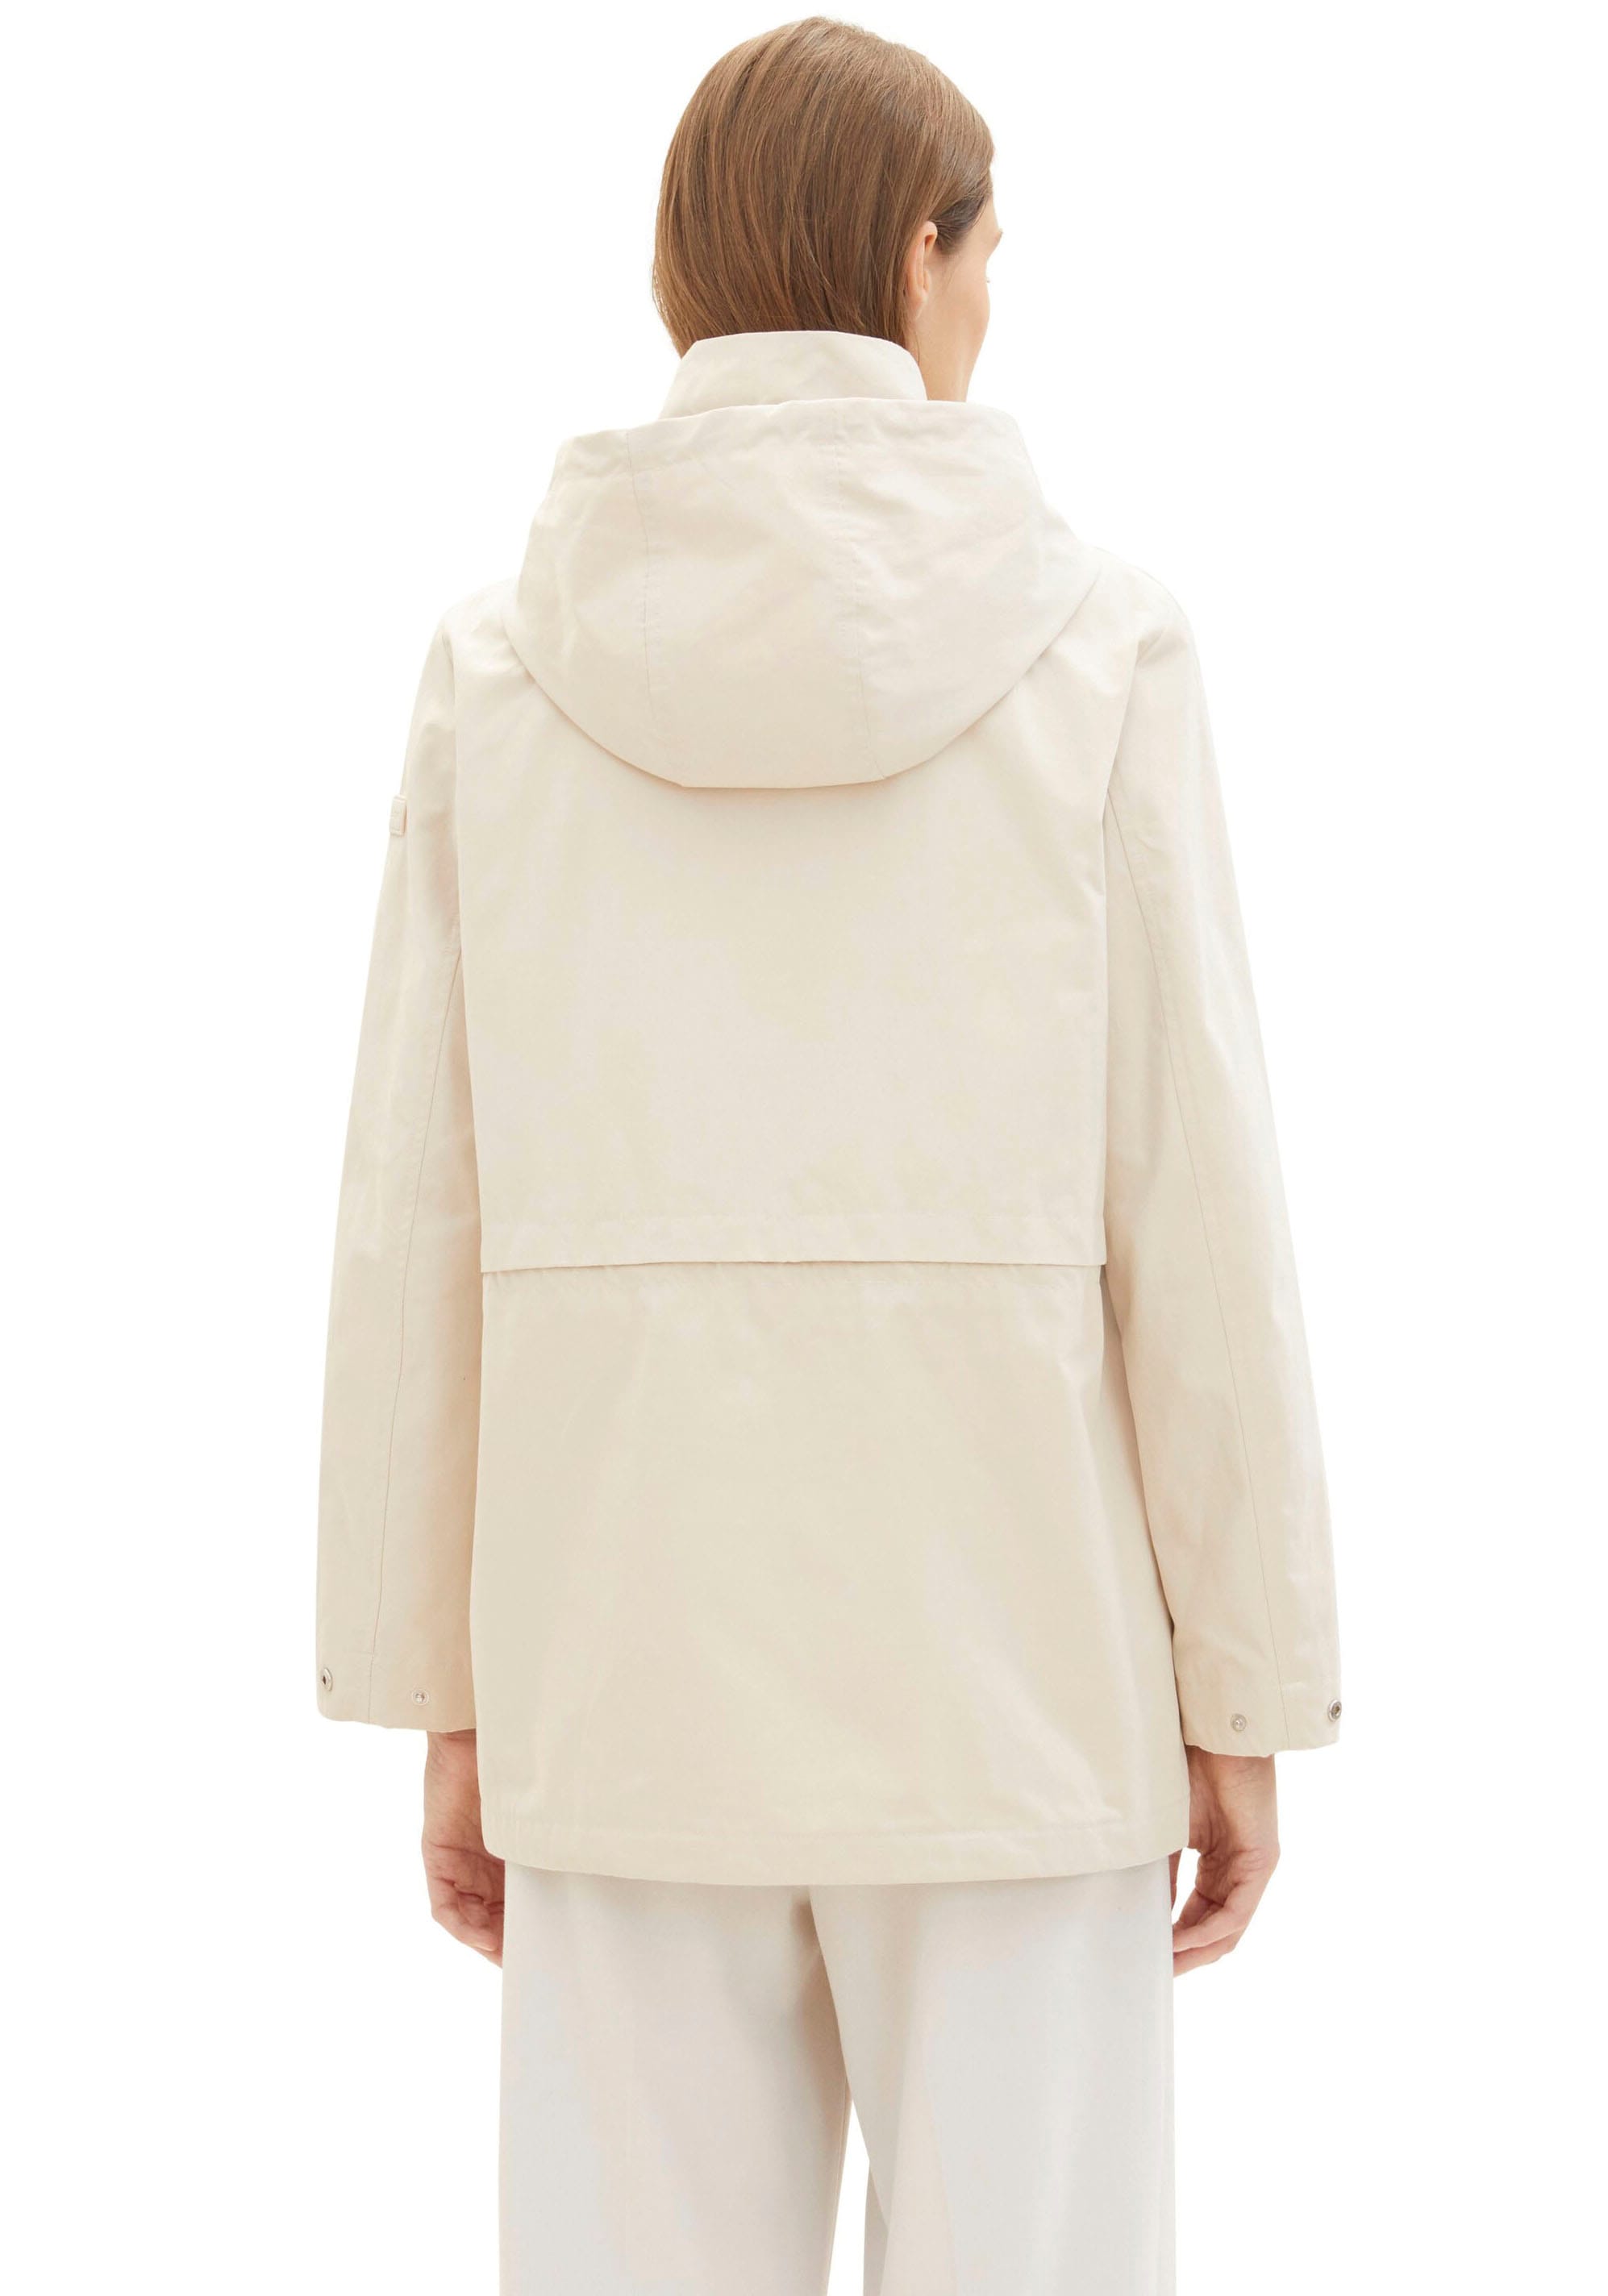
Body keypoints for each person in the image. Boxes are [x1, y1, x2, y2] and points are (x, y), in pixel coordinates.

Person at [315, 18, 1341, 2291]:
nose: (992, 305)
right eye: (992, 254)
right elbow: (1196, 1207)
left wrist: (445, 1688)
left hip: (619, 1659)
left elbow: (419, 1219)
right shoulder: (1101, 647)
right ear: (911, 257)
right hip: (1020, 1680)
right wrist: (1246, 1691)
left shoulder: (499, 667)